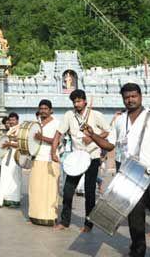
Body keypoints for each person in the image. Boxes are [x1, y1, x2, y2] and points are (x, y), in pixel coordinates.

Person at [85, 82, 150, 257]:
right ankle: (138, 251)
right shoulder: (120, 120)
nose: (130, 100)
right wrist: (92, 135)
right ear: (123, 99)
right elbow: (109, 144)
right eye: (126, 97)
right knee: (135, 220)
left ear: (140, 96)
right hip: (129, 177)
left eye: (133, 96)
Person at [51, 89, 109, 233]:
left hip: (92, 156)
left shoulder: (95, 115)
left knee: (89, 192)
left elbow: (107, 130)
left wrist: (93, 136)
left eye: (79, 101)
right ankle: (65, 222)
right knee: (68, 190)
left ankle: (88, 224)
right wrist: (53, 151)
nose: (77, 104)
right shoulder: (69, 115)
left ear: (85, 101)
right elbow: (59, 133)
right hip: (77, 157)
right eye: (74, 102)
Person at [28, 100, 60, 226]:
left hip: (50, 159)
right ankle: (35, 216)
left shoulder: (57, 123)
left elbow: (57, 141)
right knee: (35, 189)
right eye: (41, 108)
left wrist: (42, 138)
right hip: (37, 159)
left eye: (46, 108)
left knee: (50, 191)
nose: (43, 111)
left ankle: (49, 217)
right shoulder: (37, 124)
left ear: (51, 110)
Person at [0, 112, 22, 208]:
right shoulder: (9, 130)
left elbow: (21, 143)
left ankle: (15, 200)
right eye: (10, 120)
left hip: (15, 156)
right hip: (7, 155)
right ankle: (7, 198)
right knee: (6, 177)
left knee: (15, 177)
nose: (12, 122)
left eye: (13, 120)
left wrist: (9, 144)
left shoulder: (20, 129)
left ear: (17, 120)